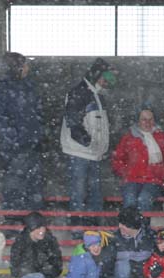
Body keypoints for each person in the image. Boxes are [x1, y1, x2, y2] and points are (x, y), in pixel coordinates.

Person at [61, 58, 116, 226]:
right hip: (81, 153)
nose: (106, 82)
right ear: (97, 76)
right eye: (105, 78)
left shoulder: (94, 94)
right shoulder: (81, 93)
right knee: (80, 191)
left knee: (93, 191)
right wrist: (90, 143)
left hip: (93, 154)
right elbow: (74, 123)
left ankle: (92, 225)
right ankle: (79, 227)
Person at [0, 52, 44, 210]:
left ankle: (33, 222)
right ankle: (14, 220)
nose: (27, 68)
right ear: (16, 67)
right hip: (15, 147)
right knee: (14, 184)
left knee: (34, 184)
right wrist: (13, 137)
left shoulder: (29, 86)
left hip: (31, 144)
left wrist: (37, 134)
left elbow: (37, 112)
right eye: (25, 65)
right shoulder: (2, 87)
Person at [112, 102, 164, 212]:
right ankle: (129, 228)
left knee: (144, 199)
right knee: (130, 200)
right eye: (144, 119)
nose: (147, 122)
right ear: (138, 121)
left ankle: (143, 228)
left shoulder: (161, 137)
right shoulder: (128, 138)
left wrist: (162, 172)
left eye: (150, 119)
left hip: (154, 180)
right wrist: (126, 172)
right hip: (132, 179)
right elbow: (118, 159)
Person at [106, 206, 155, 278]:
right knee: (122, 266)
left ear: (132, 226)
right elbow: (106, 267)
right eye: (120, 223)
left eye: (124, 224)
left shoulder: (151, 237)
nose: (120, 226)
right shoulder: (113, 239)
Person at [10, 212, 63, 278]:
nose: (42, 231)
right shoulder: (20, 243)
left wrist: (45, 270)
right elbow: (14, 269)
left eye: (43, 227)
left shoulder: (50, 242)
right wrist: (30, 271)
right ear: (30, 229)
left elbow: (58, 268)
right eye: (38, 228)